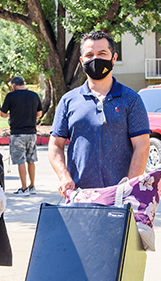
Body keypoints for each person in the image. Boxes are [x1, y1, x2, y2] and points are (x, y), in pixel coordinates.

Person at [48, 31, 150, 198]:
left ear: (114, 58)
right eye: (89, 55)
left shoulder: (131, 99)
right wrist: (64, 177)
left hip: (119, 196)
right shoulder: (68, 101)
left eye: (102, 53)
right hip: (79, 195)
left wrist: (130, 186)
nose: (95, 59)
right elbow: (55, 145)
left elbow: (142, 146)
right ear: (82, 61)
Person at [0, 77, 42, 195]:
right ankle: (32, 186)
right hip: (32, 133)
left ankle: (24, 188)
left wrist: (11, 114)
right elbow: (39, 114)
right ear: (24, 84)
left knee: (20, 161)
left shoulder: (11, 96)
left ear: (14, 85)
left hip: (17, 133)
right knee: (31, 160)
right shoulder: (34, 95)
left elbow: (2, 114)